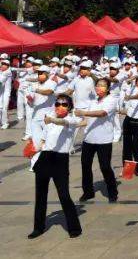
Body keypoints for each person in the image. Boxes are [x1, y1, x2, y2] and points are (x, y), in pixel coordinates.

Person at [28, 94, 83, 239]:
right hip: (45, 158)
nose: (60, 107)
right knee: (40, 196)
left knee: (64, 195)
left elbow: (63, 122)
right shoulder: (49, 118)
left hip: (60, 160)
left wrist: (52, 119)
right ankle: (38, 227)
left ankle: (74, 228)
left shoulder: (71, 119)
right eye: (58, 104)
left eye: (64, 104)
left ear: (70, 107)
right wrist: (34, 148)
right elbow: (44, 139)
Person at [75, 78, 119, 203]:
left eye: (103, 86)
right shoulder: (93, 101)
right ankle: (88, 192)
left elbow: (101, 113)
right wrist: (73, 124)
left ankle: (112, 192)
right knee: (85, 165)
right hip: (89, 139)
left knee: (105, 167)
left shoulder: (111, 100)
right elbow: (87, 120)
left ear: (108, 88)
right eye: (98, 85)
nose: (99, 88)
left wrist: (83, 112)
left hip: (103, 140)